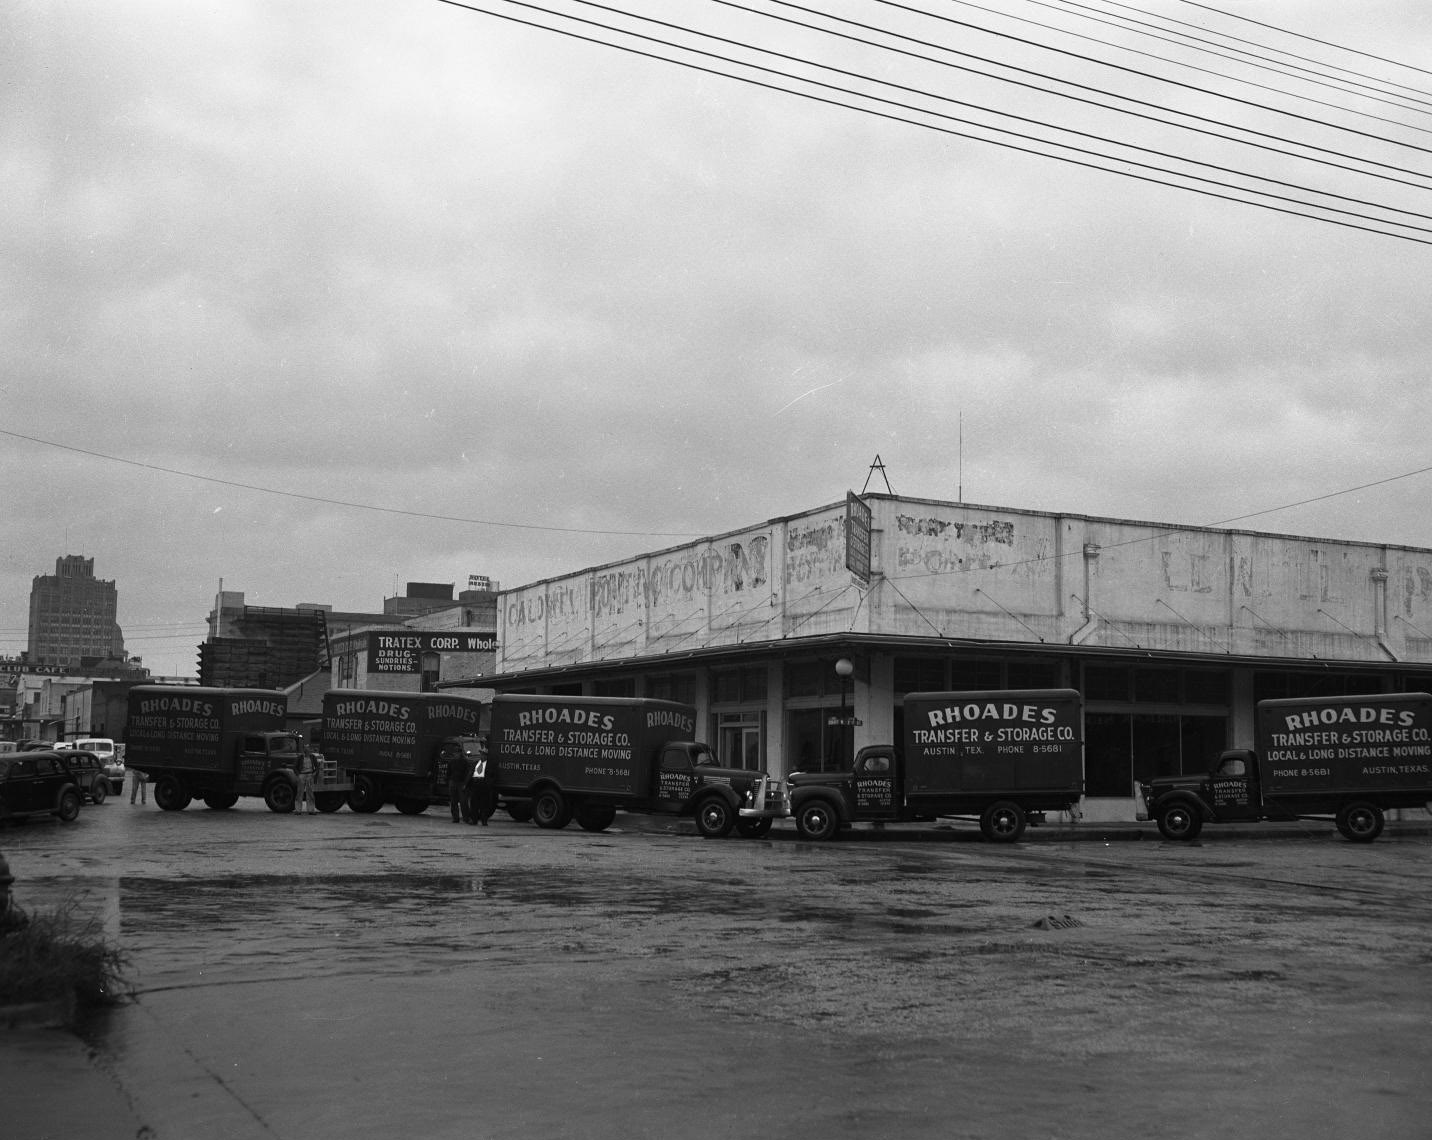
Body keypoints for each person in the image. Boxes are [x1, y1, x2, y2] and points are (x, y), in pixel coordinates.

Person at [467, 741, 495, 826]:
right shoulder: (476, 763)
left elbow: (493, 776)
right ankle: (474, 820)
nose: (482, 756)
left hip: (484, 786)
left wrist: (488, 784)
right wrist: (467, 784)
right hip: (475, 784)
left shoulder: (490, 765)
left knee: (484, 805)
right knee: (474, 804)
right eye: (481, 754)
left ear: (486, 756)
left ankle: (484, 820)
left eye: (483, 754)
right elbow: (471, 773)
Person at [445, 743, 472, 823]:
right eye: (455, 753)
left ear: (460, 753)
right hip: (453, 782)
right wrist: (449, 782)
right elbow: (448, 772)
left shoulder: (465, 762)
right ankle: (455, 818)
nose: (455, 754)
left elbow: (468, 773)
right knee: (453, 802)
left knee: (463, 802)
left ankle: (466, 818)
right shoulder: (451, 762)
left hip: (461, 783)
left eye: (457, 753)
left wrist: (465, 784)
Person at [296, 747, 317, 816]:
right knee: (299, 792)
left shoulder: (313, 757)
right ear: (304, 751)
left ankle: (311, 810)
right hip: (302, 775)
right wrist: (298, 775)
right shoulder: (300, 757)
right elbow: (295, 767)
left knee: (310, 793)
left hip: (310, 775)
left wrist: (314, 773)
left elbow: (317, 766)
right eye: (306, 750)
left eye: (308, 750)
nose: (308, 751)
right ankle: (298, 810)